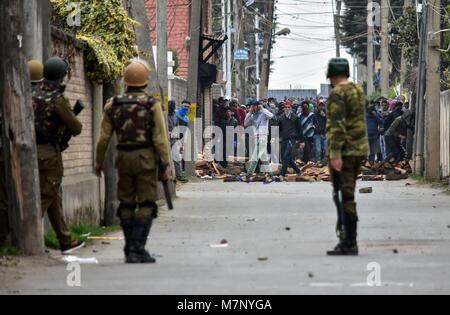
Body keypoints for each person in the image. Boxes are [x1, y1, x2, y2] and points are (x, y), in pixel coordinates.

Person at [95, 60, 171, 264]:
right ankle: (138, 247)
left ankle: (129, 248)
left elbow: (103, 138)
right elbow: (160, 139)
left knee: (126, 203)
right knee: (146, 203)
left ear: (126, 81)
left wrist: (98, 162)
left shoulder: (113, 104)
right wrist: (167, 165)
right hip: (146, 159)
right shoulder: (151, 104)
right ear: (145, 81)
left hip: (122, 159)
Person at [33, 57, 85, 254]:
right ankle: (23, 237)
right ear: (61, 77)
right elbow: (76, 127)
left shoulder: (32, 93)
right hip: (49, 154)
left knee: (54, 194)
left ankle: (65, 239)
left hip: (30, 152)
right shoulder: (57, 99)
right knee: (46, 194)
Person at [325, 58, 369, 256]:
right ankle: (348, 238)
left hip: (345, 151)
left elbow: (337, 125)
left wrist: (335, 154)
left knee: (344, 195)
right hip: (360, 149)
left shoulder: (338, 93)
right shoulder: (358, 91)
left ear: (332, 76)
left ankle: (349, 240)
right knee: (347, 193)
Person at [240, 100, 275, 183]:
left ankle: (248, 175)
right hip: (256, 138)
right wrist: (249, 113)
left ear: (257, 106)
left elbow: (271, 115)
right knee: (264, 158)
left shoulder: (264, 114)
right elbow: (245, 123)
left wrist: (262, 109)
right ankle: (271, 175)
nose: (251, 108)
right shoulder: (252, 115)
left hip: (262, 137)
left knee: (255, 157)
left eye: (252, 106)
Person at [278, 101, 305, 179]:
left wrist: (302, 141)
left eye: (288, 107)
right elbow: (279, 129)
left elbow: (300, 130)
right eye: (285, 107)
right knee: (285, 157)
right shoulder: (281, 117)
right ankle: (298, 171)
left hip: (292, 138)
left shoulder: (295, 117)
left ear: (291, 108)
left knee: (287, 155)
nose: (287, 109)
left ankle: (282, 174)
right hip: (284, 138)